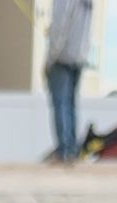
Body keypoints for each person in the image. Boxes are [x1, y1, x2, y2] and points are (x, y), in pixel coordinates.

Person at [45, 0, 93, 163]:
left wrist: (50, 58)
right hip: (79, 57)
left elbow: (60, 26)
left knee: (61, 104)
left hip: (62, 57)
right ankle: (71, 150)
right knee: (71, 105)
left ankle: (63, 151)